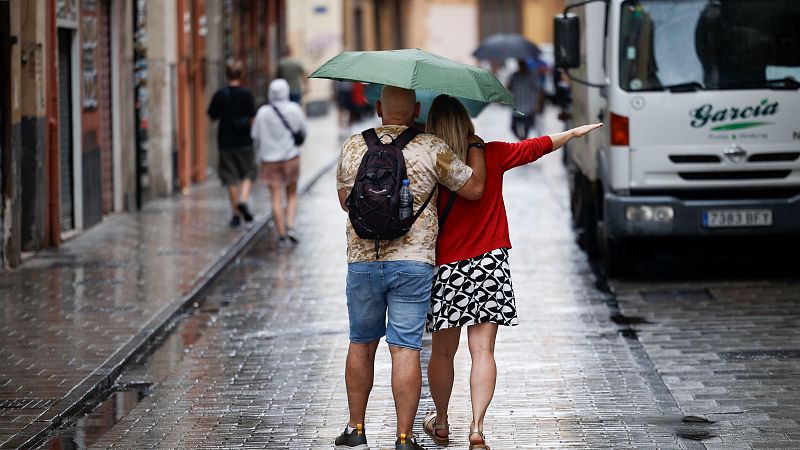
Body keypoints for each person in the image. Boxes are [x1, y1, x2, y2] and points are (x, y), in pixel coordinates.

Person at [422, 95, 602, 450]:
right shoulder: (492, 153)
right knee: (483, 351)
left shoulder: (429, 162)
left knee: (442, 352)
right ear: (465, 122)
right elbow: (536, 147)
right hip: (489, 264)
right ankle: (476, 428)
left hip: (445, 268)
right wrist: (573, 133)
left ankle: (441, 422)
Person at [334, 86, 486, 450]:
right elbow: (474, 188)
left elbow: (344, 201)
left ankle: (356, 430)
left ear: (378, 108)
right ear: (417, 109)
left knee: (361, 343)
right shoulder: (431, 147)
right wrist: (477, 148)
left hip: (363, 261)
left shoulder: (354, 145)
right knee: (405, 349)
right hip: (413, 262)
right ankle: (403, 437)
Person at [250, 79, 307, 244]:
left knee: (275, 197)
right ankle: (290, 226)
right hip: (291, 158)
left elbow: (255, 136)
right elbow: (304, 131)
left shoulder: (262, 112)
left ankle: (281, 234)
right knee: (291, 195)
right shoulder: (294, 109)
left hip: (269, 161)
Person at [207, 61, 258, 227]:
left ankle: (235, 213)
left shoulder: (220, 95)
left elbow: (212, 117)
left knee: (230, 178)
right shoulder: (247, 94)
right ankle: (243, 200)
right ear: (241, 75)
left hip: (225, 141)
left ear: (227, 75)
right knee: (248, 173)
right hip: (244, 141)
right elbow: (252, 119)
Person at [508, 58, 543, 141]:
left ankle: (524, 144)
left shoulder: (532, 75)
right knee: (513, 128)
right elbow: (509, 88)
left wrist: (538, 104)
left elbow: (540, 90)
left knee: (527, 129)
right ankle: (523, 142)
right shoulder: (515, 75)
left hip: (528, 108)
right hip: (517, 107)